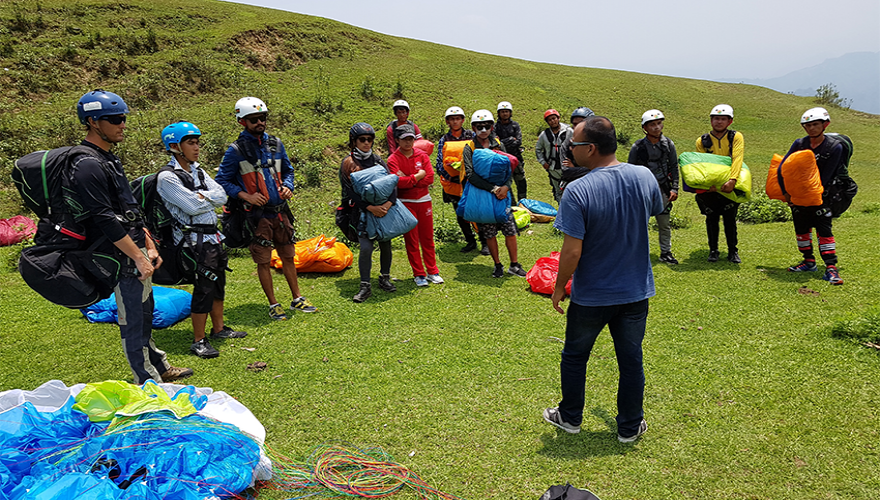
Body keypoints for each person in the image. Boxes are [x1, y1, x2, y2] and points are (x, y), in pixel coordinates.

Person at [543, 116, 664, 442]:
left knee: (575, 356)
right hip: (636, 291)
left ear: (591, 149)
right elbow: (653, 209)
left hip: (592, 296)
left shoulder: (577, 190)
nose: (570, 149)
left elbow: (571, 253)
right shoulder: (644, 177)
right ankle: (629, 427)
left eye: (574, 145)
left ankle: (569, 418)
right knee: (630, 360)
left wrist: (558, 288)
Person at [70, 90, 192, 383]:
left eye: (123, 118)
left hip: (136, 248)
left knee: (146, 311)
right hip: (119, 255)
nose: (122, 124)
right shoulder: (86, 164)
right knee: (133, 320)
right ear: (92, 122)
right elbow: (104, 218)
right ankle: (148, 382)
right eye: (114, 119)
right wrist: (136, 256)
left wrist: (148, 243)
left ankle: (159, 365)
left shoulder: (110, 159)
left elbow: (131, 209)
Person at [216, 97, 318, 320]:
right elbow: (222, 180)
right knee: (263, 260)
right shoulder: (235, 151)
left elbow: (289, 171)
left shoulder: (276, 145)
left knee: (288, 255)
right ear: (242, 121)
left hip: (280, 211)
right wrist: (245, 195)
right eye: (254, 119)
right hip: (256, 216)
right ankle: (273, 304)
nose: (260, 122)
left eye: (263, 118)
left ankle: (297, 298)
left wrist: (288, 186)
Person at [156, 121, 247, 359]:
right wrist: (205, 198)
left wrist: (202, 196)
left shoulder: (198, 170)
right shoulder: (167, 177)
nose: (197, 147)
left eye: (197, 142)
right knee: (203, 287)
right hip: (191, 242)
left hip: (212, 237)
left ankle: (218, 329)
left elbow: (222, 196)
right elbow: (192, 206)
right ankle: (198, 340)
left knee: (218, 284)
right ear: (175, 146)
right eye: (191, 143)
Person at [462, 109, 527, 278]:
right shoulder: (469, 148)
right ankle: (497, 265)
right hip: (483, 194)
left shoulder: (498, 143)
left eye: (487, 126)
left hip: (503, 195)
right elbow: (470, 174)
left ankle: (514, 264)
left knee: (510, 229)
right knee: (489, 232)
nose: (483, 130)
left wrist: (505, 187)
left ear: (492, 127)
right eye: (479, 126)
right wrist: (493, 189)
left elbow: (508, 167)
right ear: (473, 128)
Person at [783, 107, 845, 285]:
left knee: (824, 231)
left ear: (825, 125)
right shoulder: (799, 144)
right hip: (798, 197)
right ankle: (808, 262)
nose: (811, 128)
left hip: (822, 196)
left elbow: (827, 175)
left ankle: (831, 268)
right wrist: (787, 193)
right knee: (801, 231)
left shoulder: (835, 147)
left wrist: (815, 195)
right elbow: (785, 167)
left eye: (815, 124)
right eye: (807, 125)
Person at [339, 123, 397, 302]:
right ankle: (365, 286)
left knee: (386, 244)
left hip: (383, 210)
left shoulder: (378, 160)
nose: (366, 143)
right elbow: (350, 193)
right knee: (366, 248)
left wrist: (387, 205)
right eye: (362, 140)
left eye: (370, 139)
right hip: (361, 213)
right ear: (353, 141)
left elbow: (391, 184)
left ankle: (384, 278)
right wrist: (370, 208)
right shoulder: (348, 163)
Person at [388, 124, 442, 286]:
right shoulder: (393, 159)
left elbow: (430, 178)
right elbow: (397, 182)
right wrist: (417, 177)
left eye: (411, 139)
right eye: (404, 139)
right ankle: (419, 274)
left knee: (427, 238)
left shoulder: (422, 155)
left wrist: (409, 178)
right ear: (397, 140)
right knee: (411, 240)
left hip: (424, 201)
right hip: (406, 204)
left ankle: (432, 271)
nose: (408, 143)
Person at [628, 109, 680, 265]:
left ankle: (666, 252)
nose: (657, 127)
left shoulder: (668, 144)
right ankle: (638, 253)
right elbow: (630, 170)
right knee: (640, 224)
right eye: (652, 125)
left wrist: (674, 188)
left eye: (659, 123)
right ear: (645, 128)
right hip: (642, 190)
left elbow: (673, 167)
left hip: (664, 189)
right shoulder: (637, 147)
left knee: (664, 223)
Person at [694, 104, 744, 263]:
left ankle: (732, 251)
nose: (719, 122)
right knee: (711, 218)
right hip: (711, 187)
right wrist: (709, 185)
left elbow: (737, 158)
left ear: (730, 121)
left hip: (730, 185)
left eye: (723, 119)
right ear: (711, 120)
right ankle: (713, 251)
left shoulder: (735, 137)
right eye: (716, 119)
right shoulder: (702, 141)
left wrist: (732, 180)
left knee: (730, 219)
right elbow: (703, 164)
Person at [435, 106, 486, 254]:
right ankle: (470, 241)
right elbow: (439, 162)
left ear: (462, 120)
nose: (455, 121)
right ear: (447, 122)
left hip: (471, 181)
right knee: (460, 213)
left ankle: (485, 242)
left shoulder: (472, 136)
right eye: (452, 119)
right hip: (453, 184)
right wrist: (450, 176)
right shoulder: (444, 139)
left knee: (478, 212)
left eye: (457, 119)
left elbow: (480, 155)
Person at [535, 109, 573, 203]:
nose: (552, 121)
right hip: (553, 167)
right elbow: (538, 149)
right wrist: (543, 162)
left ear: (558, 118)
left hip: (568, 166)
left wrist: (574, 162)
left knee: (570, 190)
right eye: (550, 120)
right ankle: (562, 211)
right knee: (558, 191)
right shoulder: (544, 135)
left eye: (554, 118)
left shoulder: (569, 132)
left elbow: (576, 147)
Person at [494, 101, 527, 204]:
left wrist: (503, 142)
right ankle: (511, 204)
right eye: (502, 111)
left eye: (507, 111)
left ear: (510, 113)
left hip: (516, 158)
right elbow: (496, 144)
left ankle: (523, 203)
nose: (505, 114)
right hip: (502, 160)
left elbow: (518, 142)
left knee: (521, 181)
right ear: (498, 113)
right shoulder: (495, 127)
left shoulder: (515, 125)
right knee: (506, 183)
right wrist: (510, 140)